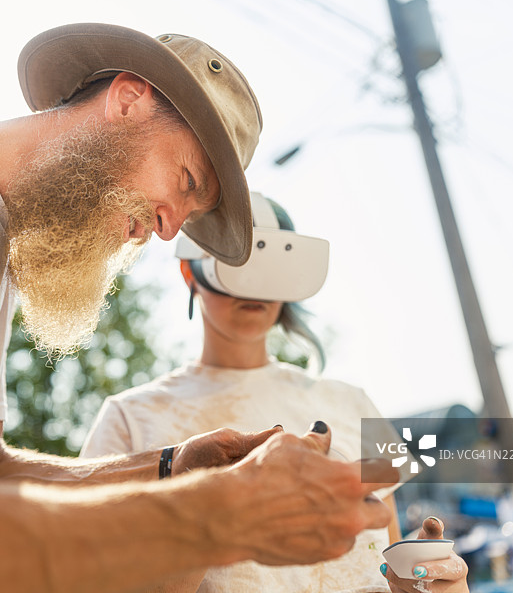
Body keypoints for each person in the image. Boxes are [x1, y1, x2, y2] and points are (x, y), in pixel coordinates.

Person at [0, 24, 398, 592]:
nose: (166, 231)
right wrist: (221, 515)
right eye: (185, 182)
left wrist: (171, 465)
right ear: (128, 98)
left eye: (190, 216)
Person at [82, 193, 469, 592]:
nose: (255, 286)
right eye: (235, 261)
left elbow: (384, 562)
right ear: (189, 272)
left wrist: (429, 582)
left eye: (271, 265)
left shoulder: (350, 402)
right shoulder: (129, 418)